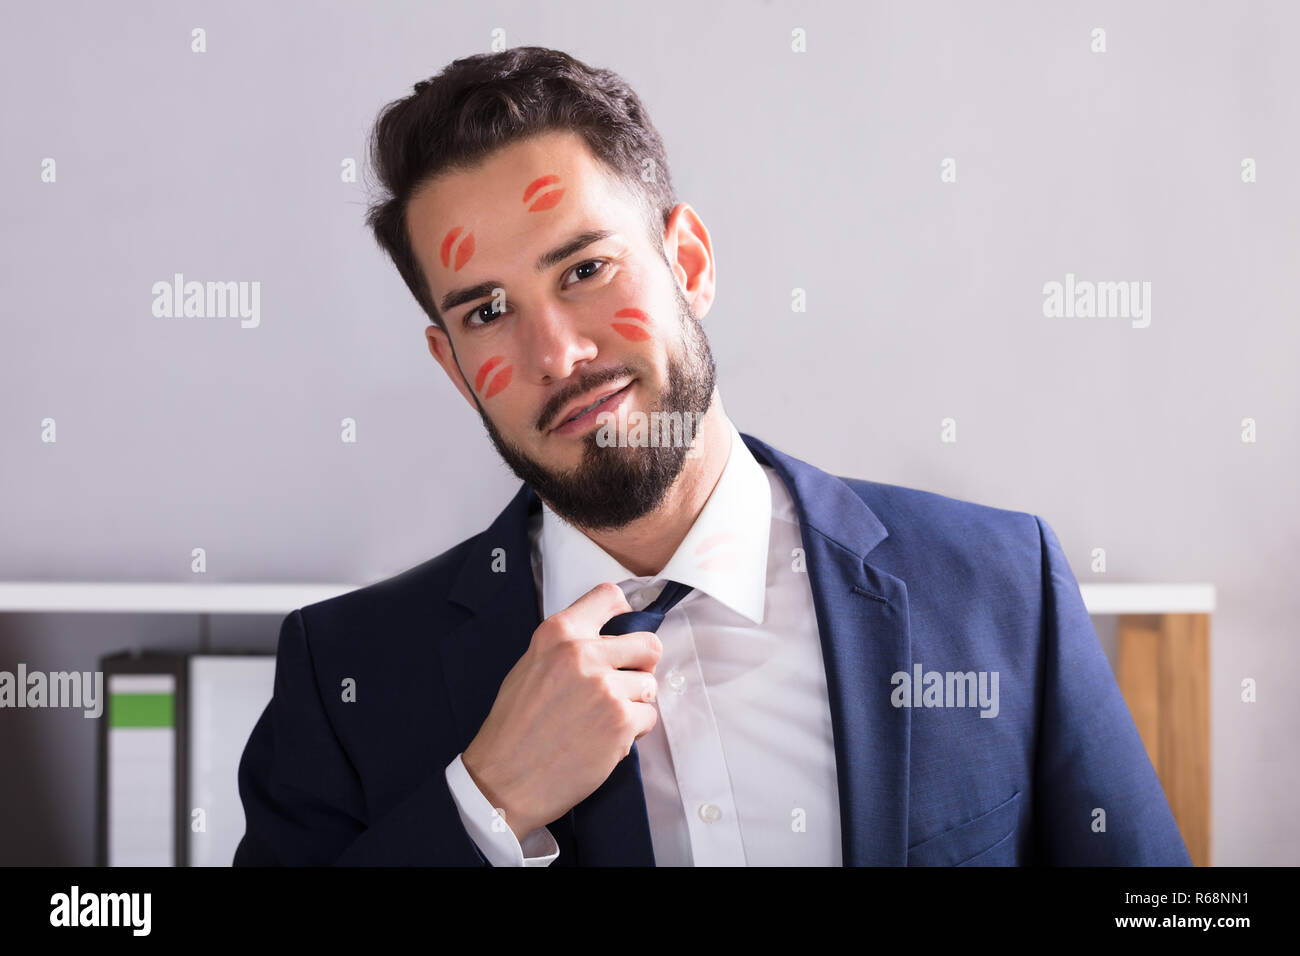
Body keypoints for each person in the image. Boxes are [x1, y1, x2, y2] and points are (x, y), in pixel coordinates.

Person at [234, 46, 1190, 866]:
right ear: (453, 365)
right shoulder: (345, 675)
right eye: (488, 312)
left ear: (687, 262)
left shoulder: (996, 586)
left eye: (584, 268)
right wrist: (483, 806)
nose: (558, 355)